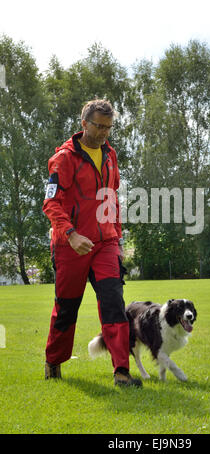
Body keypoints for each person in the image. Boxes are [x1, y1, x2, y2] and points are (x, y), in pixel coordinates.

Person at [43, 99, 142, 387]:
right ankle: (53, 361)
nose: (103, 133)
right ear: (83, 123)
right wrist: (71, 234)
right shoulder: (64, 158)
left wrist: (117, 237)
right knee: (67, 308)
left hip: (105, 243)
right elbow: (51, 203)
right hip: (70, 245)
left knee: (114, 303)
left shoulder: (110, 156)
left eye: (108, 128)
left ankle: (121, 372)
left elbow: (112, 199)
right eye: (98, 126)